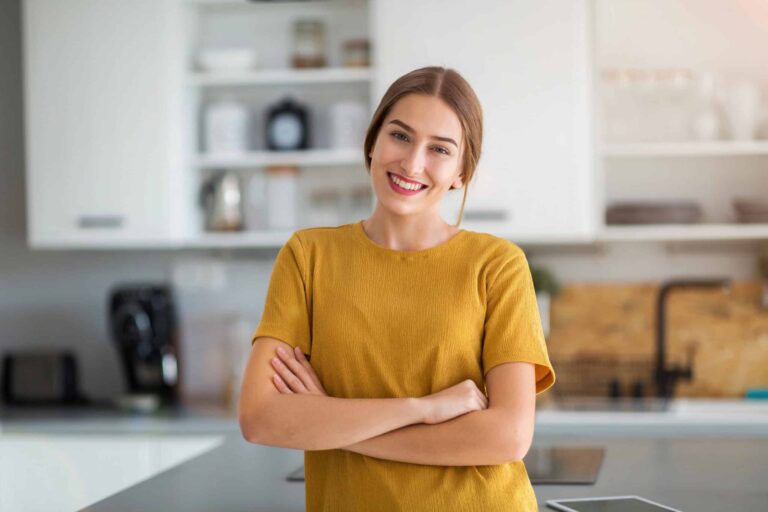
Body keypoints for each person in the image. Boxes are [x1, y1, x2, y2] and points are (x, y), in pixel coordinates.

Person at [239, 66, 556, 512]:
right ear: (372, 141)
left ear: (462, 172)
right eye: (400, 136)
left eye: (440, 149)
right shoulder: (307, 256)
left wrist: (332, 421)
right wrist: (421, 408)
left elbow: (508, 437)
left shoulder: (498, 266)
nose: (411, 163)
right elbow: (261, 418)